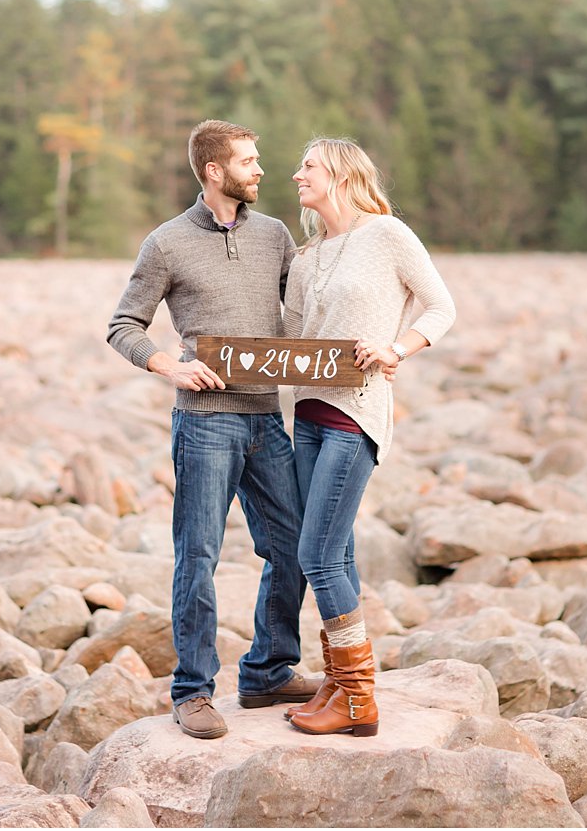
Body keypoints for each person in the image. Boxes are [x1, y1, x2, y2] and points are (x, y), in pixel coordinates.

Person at [106, 120, 316, 739]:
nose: (259, 171)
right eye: (248, 162)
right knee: (197, 555)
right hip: (204, 425)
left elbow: (303, 312)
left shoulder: (275, 235)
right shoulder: (167, 243)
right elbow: (124, 325)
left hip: (266, 421)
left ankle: (268, 671)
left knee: (294, 548)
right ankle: (192, 690)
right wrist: (171, 366)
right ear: (214, 172)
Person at [281, 137, 456, 737]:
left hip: (357, 414)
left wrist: (395, 348)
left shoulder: (387, 236)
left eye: (307, 166)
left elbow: (440, 307)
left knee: (317, 556)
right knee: (340, 552)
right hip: (307, 417)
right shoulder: (306, 258)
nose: (296, 174)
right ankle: (338, 681)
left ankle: (359, 696)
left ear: (340, 172)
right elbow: (291, 337)